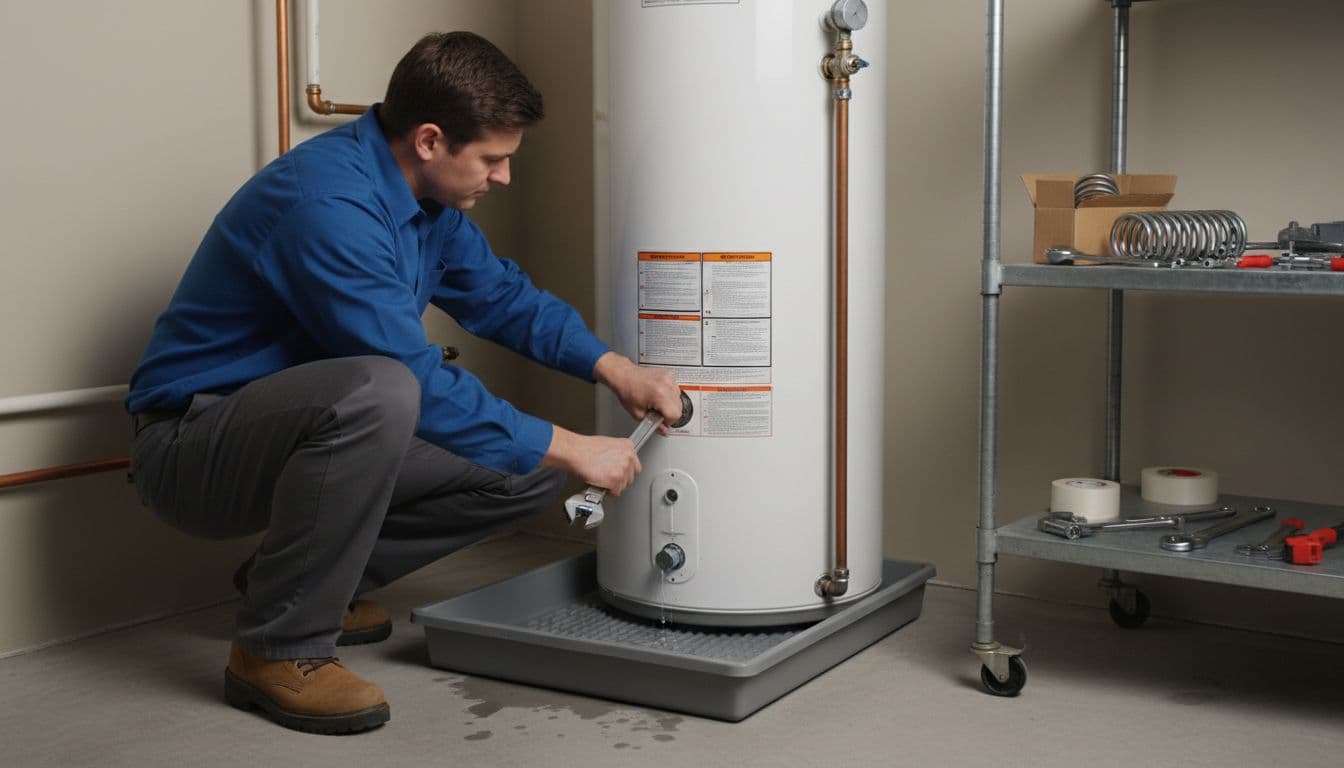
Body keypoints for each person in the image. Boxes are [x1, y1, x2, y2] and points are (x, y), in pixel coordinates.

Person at [125, 31, 681, 735]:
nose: (503, 177)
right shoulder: (326, 207)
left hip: (297, 432)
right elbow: (407, 375)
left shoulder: (428, 207)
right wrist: (575, 445)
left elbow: (503, 299)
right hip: (192, 444)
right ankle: (276, 650)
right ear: (428, 141)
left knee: (525, 472)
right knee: (386, 389)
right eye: (492, 159)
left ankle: (301, 584)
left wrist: (617, 369)